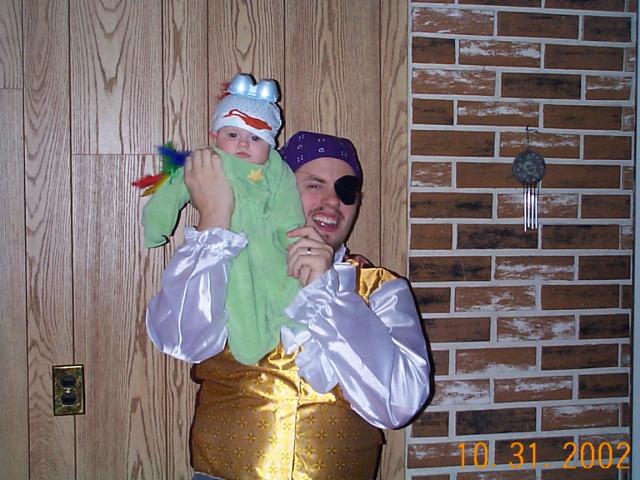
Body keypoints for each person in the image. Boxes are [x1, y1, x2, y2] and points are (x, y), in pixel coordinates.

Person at [145, 130, 431, 479]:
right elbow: (181, 340)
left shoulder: (381, 289)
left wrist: (327, 293)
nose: (332, 201)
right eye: (314, 185)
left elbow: (399, 405)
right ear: (279, 189)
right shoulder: (229, 266)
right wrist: (215, 218)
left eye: (346, 191)